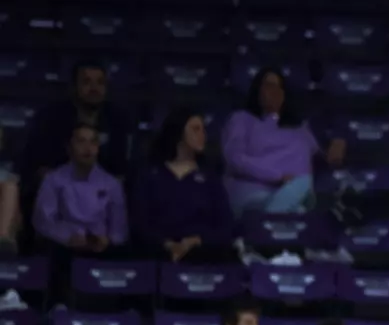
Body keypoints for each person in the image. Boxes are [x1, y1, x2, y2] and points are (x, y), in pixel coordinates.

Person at [221, 67, 345, 217]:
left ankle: (264, 225)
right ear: (257, 90)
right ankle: (266, 222)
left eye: (280, 87)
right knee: (301, 195)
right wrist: (277, 176)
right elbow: (235, 158)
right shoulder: (242, 119)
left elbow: (327, 157)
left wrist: (338, 140)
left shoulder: (299, 130)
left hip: (292, 194)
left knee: (303, 193)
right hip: (249, 190)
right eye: (269, 85)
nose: (275, 91)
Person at [128, 106, 235, 264]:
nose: (203, 135)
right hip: (157, 252)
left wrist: (196, 241)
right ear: (179, 132)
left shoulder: (210, 177)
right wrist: (168, 244)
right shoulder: (150, 174)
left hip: (202, 253)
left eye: (203, 129)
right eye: (195, 129)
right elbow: (140, 222)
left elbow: (225, 225)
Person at [19, 62, 132, 187]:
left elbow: (124, 172)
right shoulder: (50, 119)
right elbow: (35, 167)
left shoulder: (119, 121)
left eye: (100, 82)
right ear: (74, 87)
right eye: (86, 82)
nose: (94, 88)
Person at [31, 124, 129, 253]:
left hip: (103, 249)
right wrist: (67, 237)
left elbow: (119, 227)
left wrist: (109, 241)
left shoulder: (112, 184)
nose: (88, 148)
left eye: (93, 142)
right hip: (63, 247)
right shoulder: (53, 179)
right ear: (69, 148)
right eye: (81, 141)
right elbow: (43, 221)